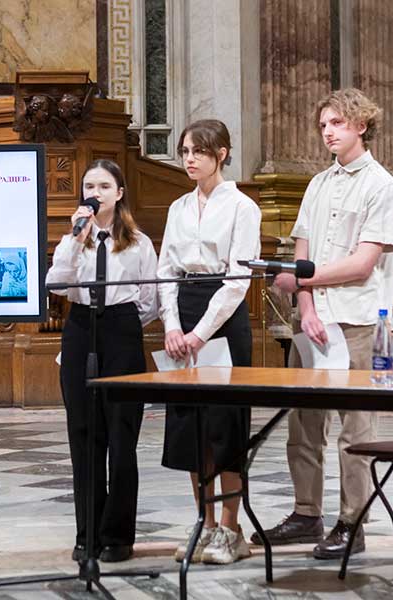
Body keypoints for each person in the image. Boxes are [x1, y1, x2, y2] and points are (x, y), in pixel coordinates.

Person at [252, 88, 393, 560]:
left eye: (337, 123)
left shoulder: (382, 186)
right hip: (314, 320)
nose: (328, 132)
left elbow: (362, 264)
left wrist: (303, 280)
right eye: (323, 125)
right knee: (303, 425)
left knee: (355, 429)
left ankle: (352, 522)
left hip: (358, 320)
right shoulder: (317, 184)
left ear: (361, 125)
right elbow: (303, 253)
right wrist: (307, 307)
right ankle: (306, 513)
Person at [157, 119, 261, 565]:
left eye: (198, 151)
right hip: (184, 310)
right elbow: (165, 270)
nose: (189, 159)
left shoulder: (242, 207)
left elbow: (238, 279)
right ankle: (205, 522)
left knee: (225, 426)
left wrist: (200, 333)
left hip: (224, 317)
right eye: (185, 151)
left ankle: (232, 530)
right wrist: (171, 325)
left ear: (221, 154)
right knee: (191, 428)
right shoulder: (178, 207)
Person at [45, 159, 158, 564]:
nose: (95, 193)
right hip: (80, 328)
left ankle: (118, 536)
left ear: (119, 193)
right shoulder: (74, 238)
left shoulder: (139, 243)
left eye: (104, 186)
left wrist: (119, 325)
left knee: (122, 439)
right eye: (89, 186)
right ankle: (88, 534)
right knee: (84, 436)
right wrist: (76, 239)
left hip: (122, 332)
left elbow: (149, 301)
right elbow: (56, 284)